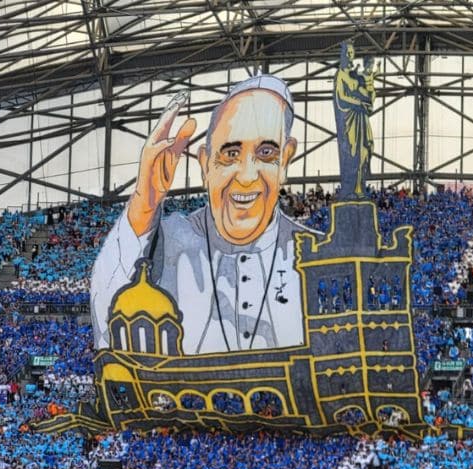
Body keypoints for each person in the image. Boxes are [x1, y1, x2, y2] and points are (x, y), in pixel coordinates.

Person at [91, 75, 315, 354]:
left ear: (286, 159)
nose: (246, 176)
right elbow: (105, 321)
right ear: (205, 164)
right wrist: (143, 206)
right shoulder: (170, 240)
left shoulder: (319, 255)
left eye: (266, 152)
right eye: (230, 153)